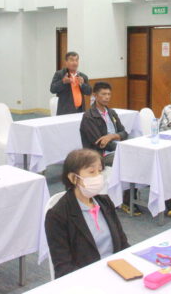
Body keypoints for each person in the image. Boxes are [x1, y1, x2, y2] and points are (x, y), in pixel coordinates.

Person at [45, 149, 130, 279]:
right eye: (91, 172)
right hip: (86, 278)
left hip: (116, 271)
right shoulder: (57, 215)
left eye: (99, 171)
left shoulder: (105, 202)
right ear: (73, 178)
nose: (98, 176)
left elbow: (123, 244)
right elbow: (63, 267)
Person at [79, 82, 128, 166]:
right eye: (104, 94)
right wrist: (121, 147)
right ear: (95, 95)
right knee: (128, 158)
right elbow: (100, 143)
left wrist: (112, 136)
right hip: (99, 155)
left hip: (115, 150)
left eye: (109, 94)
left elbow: (124, 133)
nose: (107, 97)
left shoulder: (111, 113)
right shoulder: (89, 116)